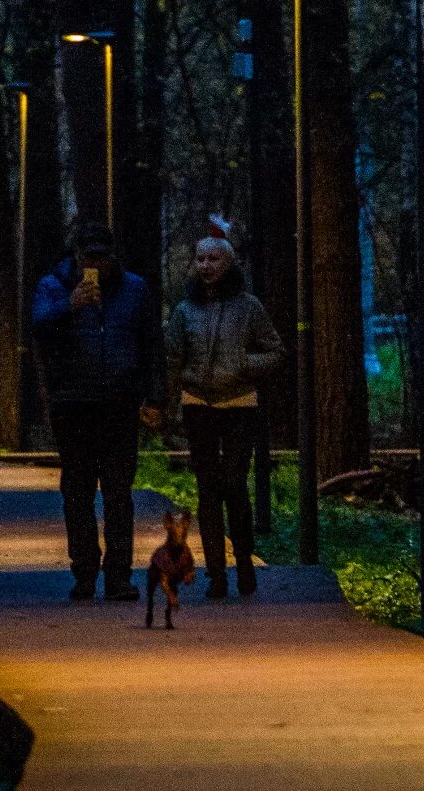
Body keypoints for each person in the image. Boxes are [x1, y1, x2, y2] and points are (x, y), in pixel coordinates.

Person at [32, 221, 156, 601]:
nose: (96, 265)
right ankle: (84, 571)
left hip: (119, 403)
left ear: (113, 255)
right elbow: (39, 329)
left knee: (119, 492)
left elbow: (150, 344)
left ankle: (119, 575)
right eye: (90, 257)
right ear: (77, 255)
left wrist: (153, 398)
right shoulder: (53, 287)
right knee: (78, 491)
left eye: (103, 256)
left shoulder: (134, 288)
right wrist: (70, 307)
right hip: (73, 404)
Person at [166, 232, 285, 597]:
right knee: (207, 491)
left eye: (213, 259)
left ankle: (244, 560)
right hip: (198, 405)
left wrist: (244, 365)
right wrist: (173, 392)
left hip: (238, 406)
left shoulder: (249, 307)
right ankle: (216, 574)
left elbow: (276, 350)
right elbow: (171, 357)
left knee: (234, 484)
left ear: (229, 263)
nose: (205, 266)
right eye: (200, 259)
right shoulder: (185, 310)